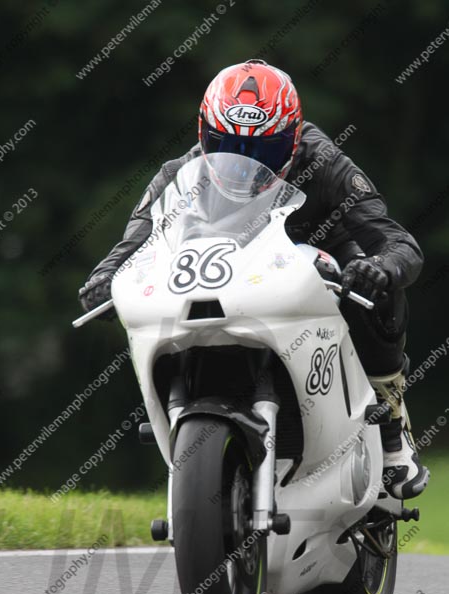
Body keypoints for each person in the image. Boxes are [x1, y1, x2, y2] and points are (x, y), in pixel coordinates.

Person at [78, 59, 429, 500]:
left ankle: (391, 421)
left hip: (319, 257)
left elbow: (399, 243)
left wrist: (381, 267)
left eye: (264, 150)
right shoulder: (178, 175)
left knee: (372, 283)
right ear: (204, 134)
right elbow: (133, 242)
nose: (244, 165)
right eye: (227, 145)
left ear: (294, 137)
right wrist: (104, 277)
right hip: (234, 271)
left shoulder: (326, 163)